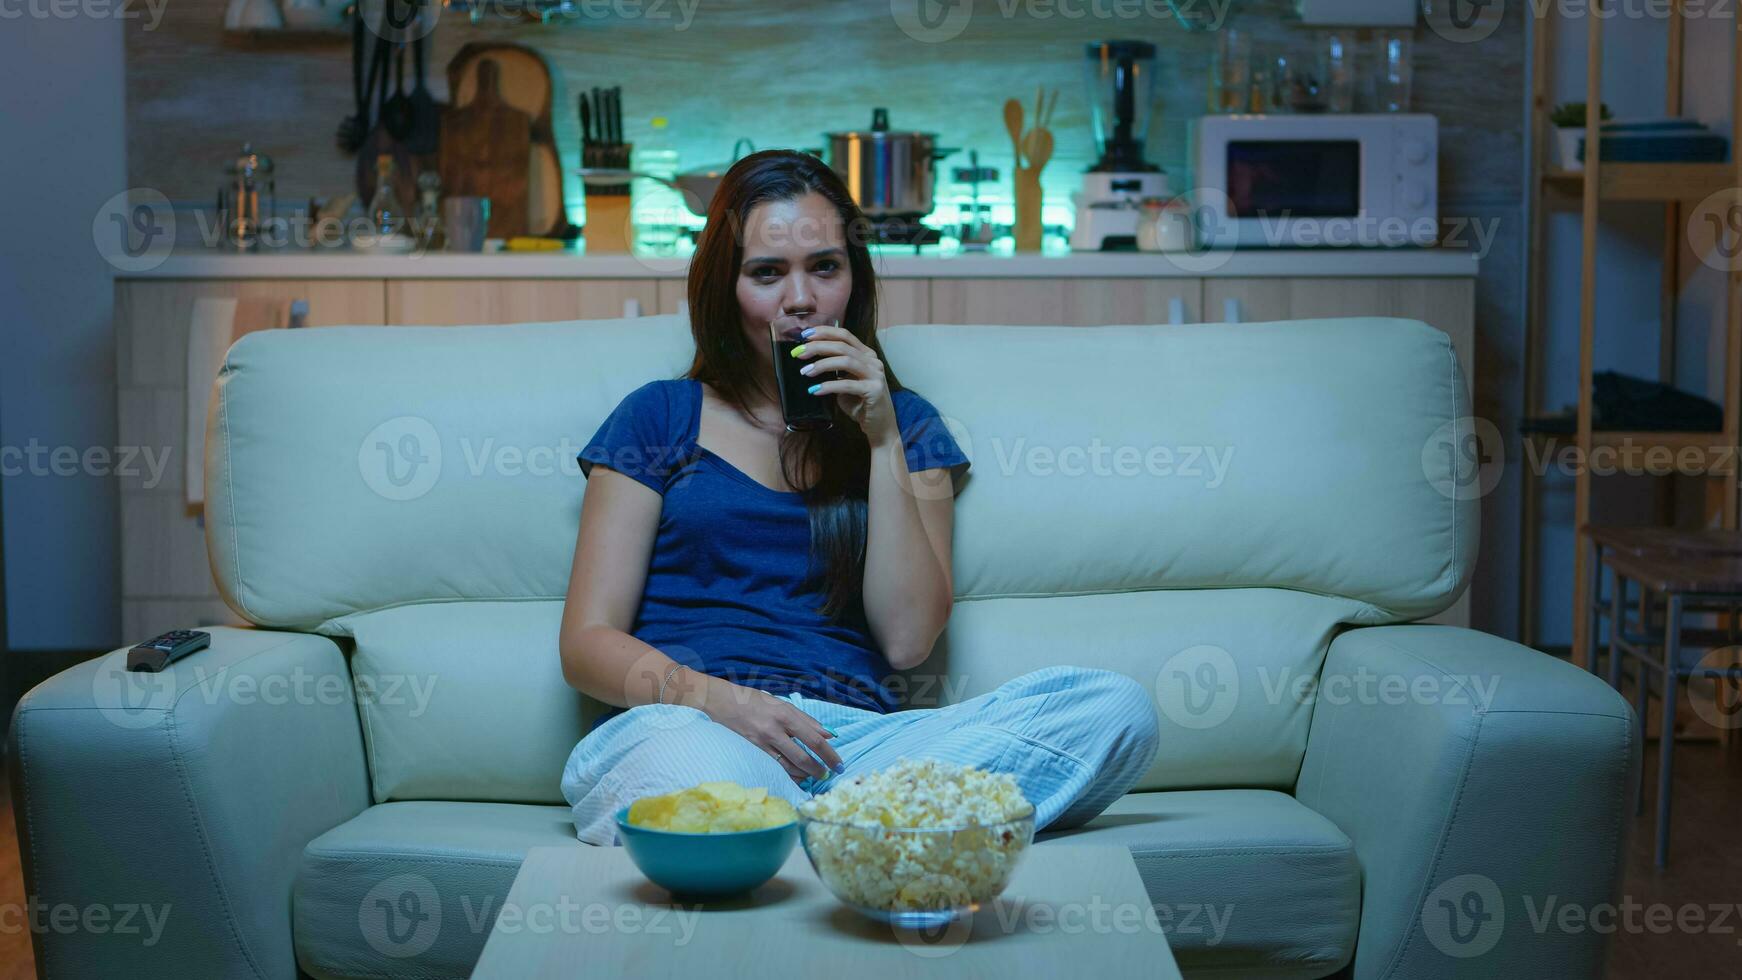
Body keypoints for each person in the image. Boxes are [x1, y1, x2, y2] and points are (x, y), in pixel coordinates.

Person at [558, 149, 1159, 845]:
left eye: (824, 267)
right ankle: (870, 833)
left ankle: (800, 830)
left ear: (853, 279)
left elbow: (906, 641)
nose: (801, 300)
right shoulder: (657, 417)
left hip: (858, 750)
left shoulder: (907, 427)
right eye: (766, 273)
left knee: (1116, 709)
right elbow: (586, 644)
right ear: (725, 287)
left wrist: (879, 439)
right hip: (692, 727)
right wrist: (724, 702)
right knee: (707, 773)